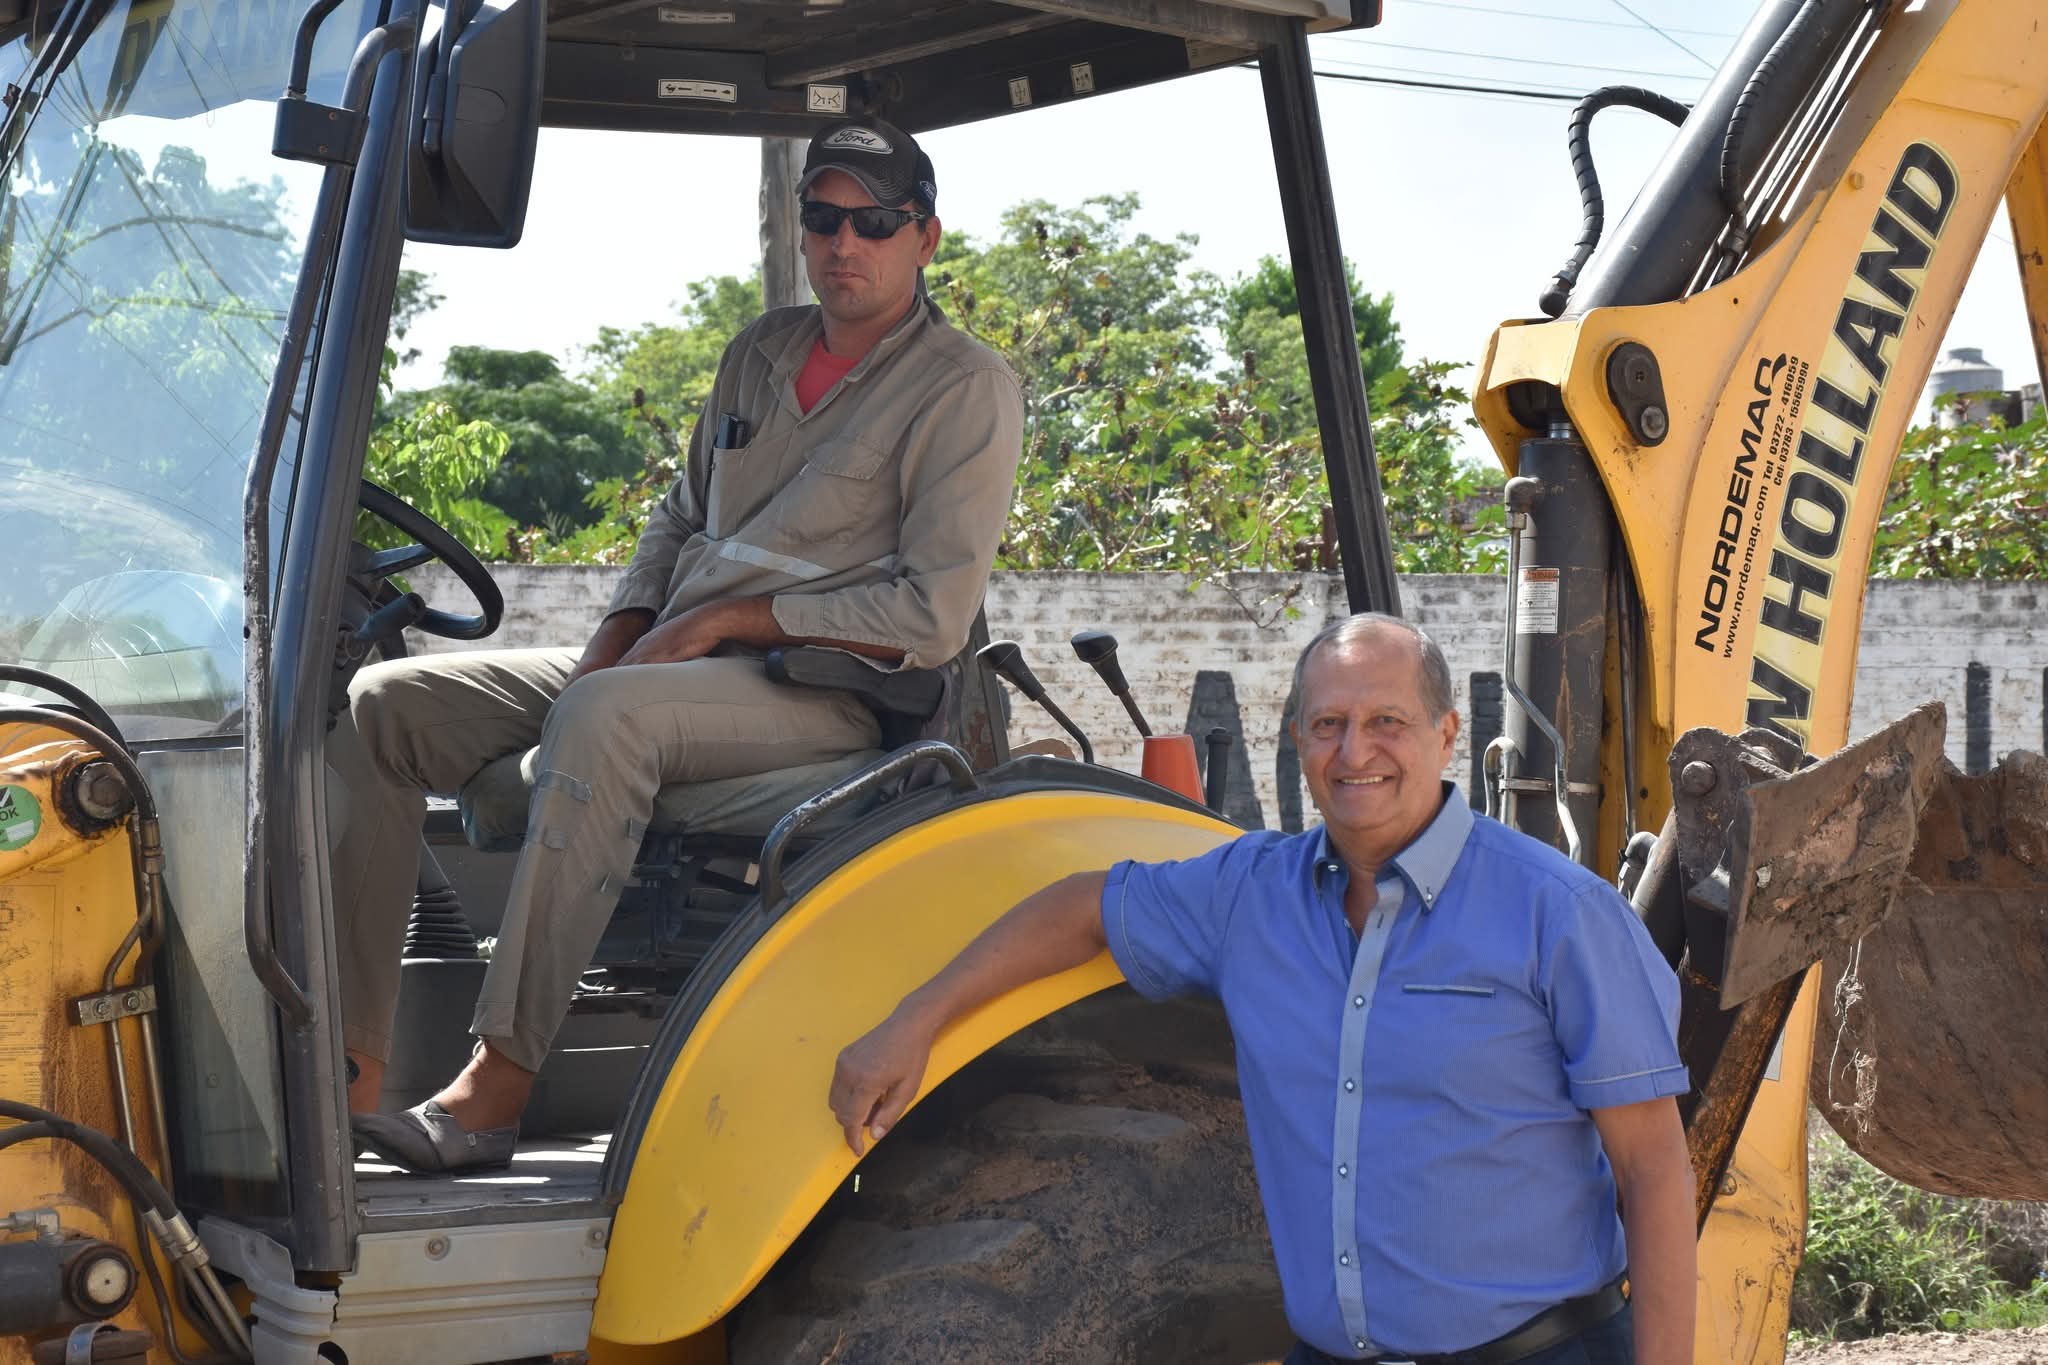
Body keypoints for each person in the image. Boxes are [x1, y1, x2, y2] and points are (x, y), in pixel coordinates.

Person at [342, 114, 1024, 1174]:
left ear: (924, 237)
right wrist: (618, 635)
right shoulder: (759, 352)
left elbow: (927, 618)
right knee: (386, 702)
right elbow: (676, 522)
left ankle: (494, 1088)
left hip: (819, 696)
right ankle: (346, 1068)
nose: (846, 243)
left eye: (877, 223)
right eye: (825, 218)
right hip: (671, 659)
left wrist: (720, 624)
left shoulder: (964, 387)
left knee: (604, 721)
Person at [830, 614, 1696, 1365]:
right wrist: (917, 1020)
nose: (1355, 751)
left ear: (1446, 734)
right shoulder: (1249, 895)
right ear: (1297, 740)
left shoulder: (1559, 913)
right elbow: (1084, 908)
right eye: (1329, 723)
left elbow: (1653, 1169)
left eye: (1386, 720)